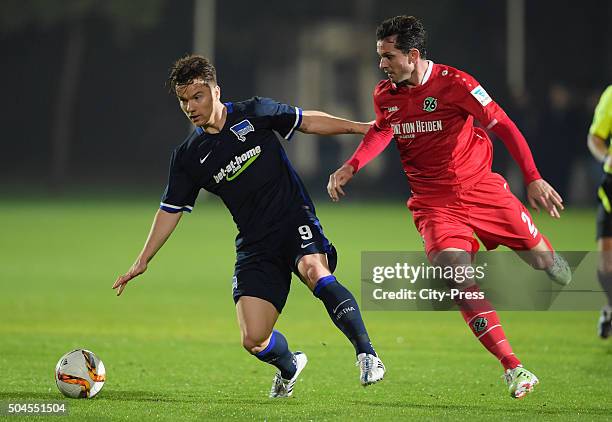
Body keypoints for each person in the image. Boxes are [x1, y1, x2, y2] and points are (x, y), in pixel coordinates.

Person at [112, 55, 385, 398]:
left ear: (215, 91)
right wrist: (143, 259)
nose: (190, 106)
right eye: (183, 100)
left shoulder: (254, 112)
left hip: (293, 218)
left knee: (315, 270)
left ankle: (367, 354)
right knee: (254, 339)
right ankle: (290, 366)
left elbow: (307, 122)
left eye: (197, 96)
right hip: (255, 243)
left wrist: (362, 128)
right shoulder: (188, 157)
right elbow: (170, 209)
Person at [327, 15, 570, 399]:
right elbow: (383, 128)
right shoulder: (385, 95)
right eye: (380, 56)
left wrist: (533, 176)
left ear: (413, 55)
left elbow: (504, 125)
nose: (382, 64)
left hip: (482, 191)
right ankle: (513, 366)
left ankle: (546, 254)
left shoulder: (457, 84)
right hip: (433, 204)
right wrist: (352, 165)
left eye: (388, 56)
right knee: (458, 278)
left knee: (545, 264)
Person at [586, 85, 612, 338]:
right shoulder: (611, 95)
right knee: (606, 264)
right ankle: (610, 306)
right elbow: (595, 138)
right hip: (611, 189)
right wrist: (605, 158)